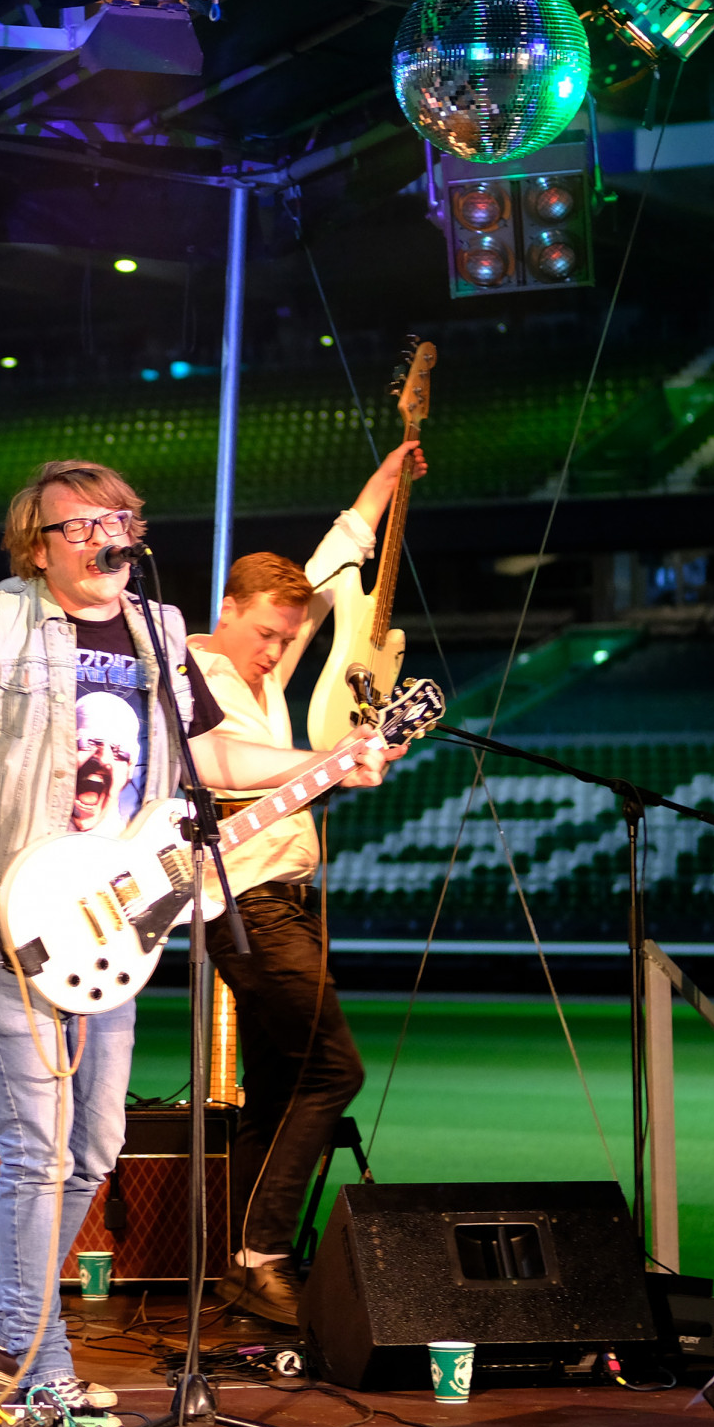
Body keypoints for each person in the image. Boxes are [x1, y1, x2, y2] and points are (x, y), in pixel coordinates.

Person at [0, 458, 396, 1407]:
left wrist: (323, 757)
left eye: (116, 519)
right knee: (37, 1143)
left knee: (96, 1144)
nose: (103, 536)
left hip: (115, 917)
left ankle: (23, 1332)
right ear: (35, 548)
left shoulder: (161, 631)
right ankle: (36, 1356)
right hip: (10, 919)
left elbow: (210, 754)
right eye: (78, 525)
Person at [190, 439, 426, 1326]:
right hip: (248, 905)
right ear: (228, 608)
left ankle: (237, 1269)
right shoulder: (192, 669)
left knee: (281, 1087)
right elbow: (221, 765)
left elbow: (331, 575)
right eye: (263, 634)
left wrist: (383, 480)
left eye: (282, 641)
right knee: (333, 1071)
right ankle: (261, 1254)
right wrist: (329, 758)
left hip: (286, 901)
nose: (272, 653)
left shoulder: (262, 662)